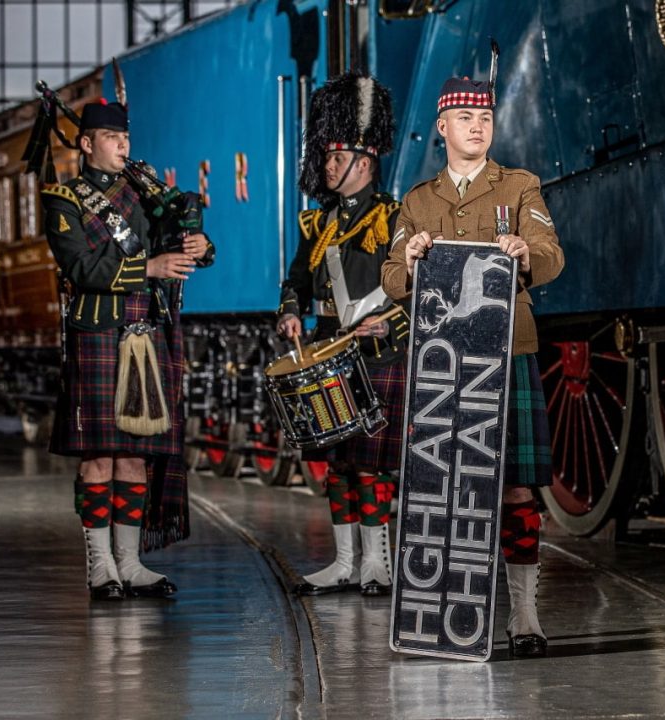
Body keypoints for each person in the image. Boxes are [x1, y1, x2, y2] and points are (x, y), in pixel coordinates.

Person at [381, 75, 565, 658]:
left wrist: (525, 253)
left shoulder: (521, 186)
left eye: (484, 118)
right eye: (465, 119)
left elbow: (553, 256)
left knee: (514, 490)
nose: (477, 127)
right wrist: (407, 263)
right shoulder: (417, 202)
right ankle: (447, 617)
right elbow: (389, 280)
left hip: (507, 354)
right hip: (444, 366)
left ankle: (526, 618)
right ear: (443, 128)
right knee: (442, 492)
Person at [40, 100, 214, 600]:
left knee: (135, 455)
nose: (123, 148)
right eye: (113, 140)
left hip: (144, 332)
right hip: (97, 333)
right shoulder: (64, 199)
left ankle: (130, 563)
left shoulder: (143, 194)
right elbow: (82, 270)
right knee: (99, 457)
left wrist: (199, 245)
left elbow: (174, 243)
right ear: (87, 143)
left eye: (126, 140)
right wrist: (149, 269)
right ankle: (100, 566)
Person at [276, 73, 408, 597]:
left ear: (365, 160)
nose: (326, 166)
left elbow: (417, 291)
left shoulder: (395, 218)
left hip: (379, 351)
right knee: (339, 462)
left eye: (336, 158)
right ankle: (344, 561)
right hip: (331, 354)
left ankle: (377, 564)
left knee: (372, 465)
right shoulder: (317, 225)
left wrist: (390, 323)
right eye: (326, 157)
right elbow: (295, 282)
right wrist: (290, 312)